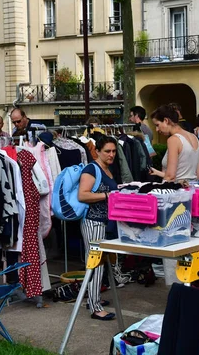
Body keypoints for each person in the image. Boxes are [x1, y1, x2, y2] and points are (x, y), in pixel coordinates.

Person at [77, 135, 120, 321]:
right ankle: (95, 307)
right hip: (93, 222)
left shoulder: (107, 169)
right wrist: (107, 195)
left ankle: (94, 300)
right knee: (95, 265)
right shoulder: (91, 169)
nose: (111, 155)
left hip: (104, 222)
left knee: (100, 263)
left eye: (114, 151)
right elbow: (82, 195)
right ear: (98, 151)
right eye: (107, 151)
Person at [149, 105, 199, 182]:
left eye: (157, 125)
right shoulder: (194, 137)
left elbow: (170, 176)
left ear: (166, 120)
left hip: (175, 189)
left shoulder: (173, 140)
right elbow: (198, 173)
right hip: (191, 188)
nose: (157, 129)